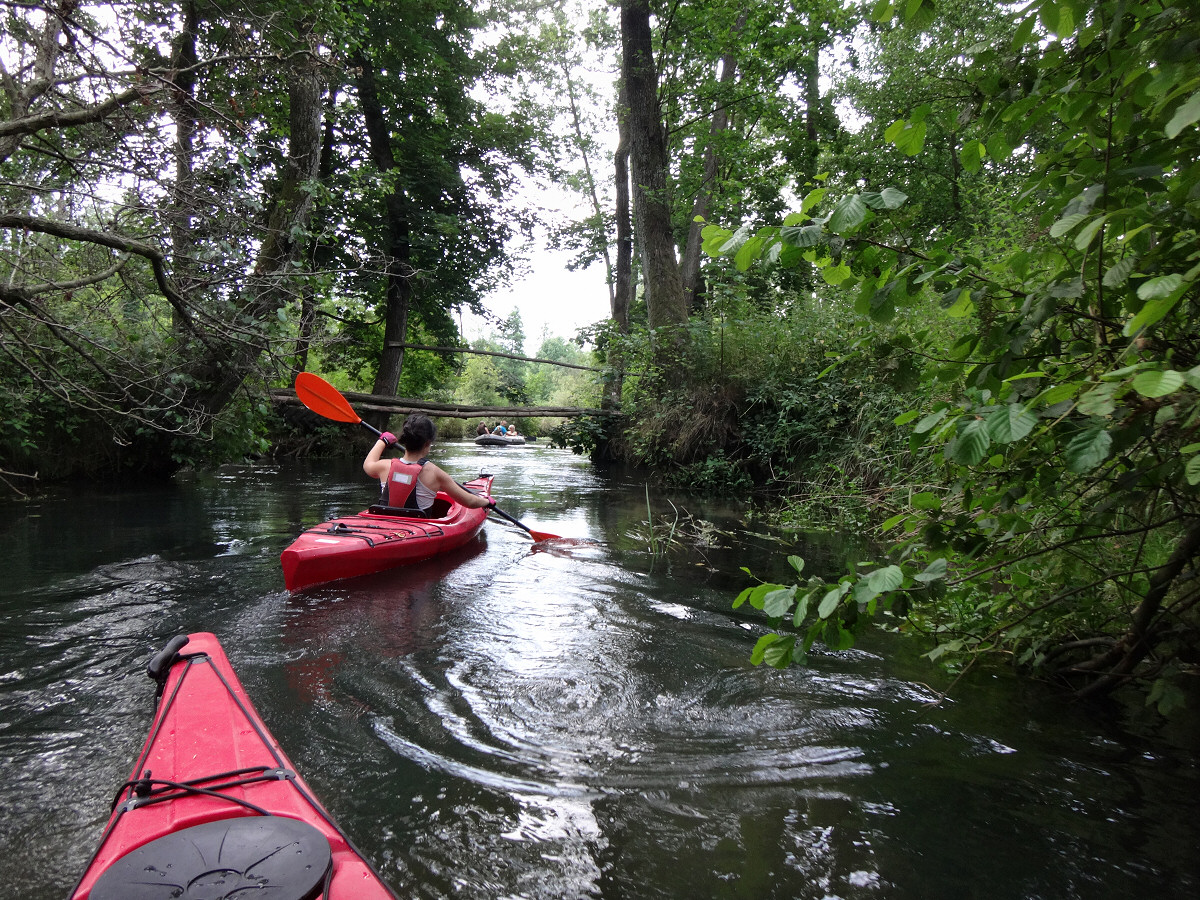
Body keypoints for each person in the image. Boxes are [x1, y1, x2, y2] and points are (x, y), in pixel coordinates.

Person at [364, 414, 494, 514]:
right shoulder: (435, 473)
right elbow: (470, 502)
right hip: (418, 528)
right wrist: (486, 501)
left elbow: (368, 464)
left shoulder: (385, 466)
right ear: (427, 443)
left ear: (405, 440)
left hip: (385, 523)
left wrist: (382, 441)